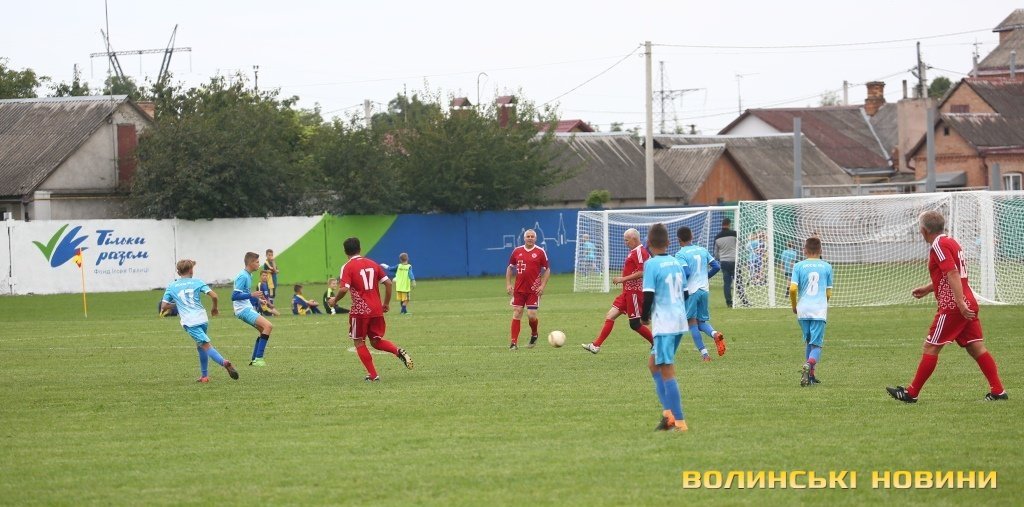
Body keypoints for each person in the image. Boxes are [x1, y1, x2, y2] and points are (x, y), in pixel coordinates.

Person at [887, 211, 1008, 403]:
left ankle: (911, 393)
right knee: (976, 347)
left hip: (954, 306)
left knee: (930, 347)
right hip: (967, 301)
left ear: (924, 230)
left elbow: (952, 273)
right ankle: (998, 391)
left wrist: (959, 303)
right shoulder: (951, 242)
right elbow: (950, 273)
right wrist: (928, 289)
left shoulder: (938, 245)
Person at [329, 236, 413, 381]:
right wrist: (386, 303)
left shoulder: (347, 266)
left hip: (360, 311)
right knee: (376, 341)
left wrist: (334, 300)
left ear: (345, 252)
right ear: (360, 249)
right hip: (376, 309)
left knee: (358, 342)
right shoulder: (372, 264)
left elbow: (343, 289)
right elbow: (388, 283)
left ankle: (373, 375)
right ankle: (397, 351)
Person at [641, 223, 690, 432]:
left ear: (648, 243)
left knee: (666, 369)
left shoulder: (651, 264)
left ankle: (679, 422)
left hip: (665, 323)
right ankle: (668, 415)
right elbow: (685, 293)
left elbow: (648, 295)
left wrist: (644, 317)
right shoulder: (677, 262)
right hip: (679, 320)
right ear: (668, 242)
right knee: (653, 364)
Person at [160, 259, 238, 383]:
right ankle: (204, 376)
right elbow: (214, 296)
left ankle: (224, 362)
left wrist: (178, 305)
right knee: (200, 346)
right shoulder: (198, 282)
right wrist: (214, 308)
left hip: (190, 321)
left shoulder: (172, 286)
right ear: (191, 270)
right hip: (202, 318)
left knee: (206, 346)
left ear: (178, 272)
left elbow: (164, 306)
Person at [582, 228, 654, 354]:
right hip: (627, 292)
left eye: (627, 240)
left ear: (634, 239)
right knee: (610, 316)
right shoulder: (634, 252)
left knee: (635, 324)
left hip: (634, 293)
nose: (625, 243)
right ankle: (596, 345)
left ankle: (656, 343)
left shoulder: (640, 252)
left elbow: (642, 272)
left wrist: (623, 279)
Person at [676, 226, 726, 362]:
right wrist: (705, 277)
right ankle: (715, 334)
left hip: (691, 292)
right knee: (701, 322)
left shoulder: (680, 254)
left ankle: (705, 355)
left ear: (679, 240)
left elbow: (686, 273)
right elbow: (716, 266)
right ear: (692, 236)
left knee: (691, 323)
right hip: (704, 290)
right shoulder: (702, 250)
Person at [789, 237, 833, 387]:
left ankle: (810, 376)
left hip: (803, 309)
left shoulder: (798, 266)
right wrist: (823, 304)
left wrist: (794, 306)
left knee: (809, 341)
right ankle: (809, 364)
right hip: (818, 309)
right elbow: (828, 293)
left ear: (804, 250)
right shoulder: (827, 266)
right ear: (821, 250)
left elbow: (793, 289)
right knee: (817, 345)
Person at [505, 229, 550, 350]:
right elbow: (510, 268)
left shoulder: (540, 252)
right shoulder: (517, 251)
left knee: (531, 315)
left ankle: (534, 334)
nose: (530, 238)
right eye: (528, 236)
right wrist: (508, 284)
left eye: (532, 236)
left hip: (533, 289)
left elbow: (547, 269)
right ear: (524, 238)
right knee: (517, 312)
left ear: (535, 238)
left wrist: (542, 286)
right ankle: (513, 343)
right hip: (519, 289)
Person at [232, 252, 274, 367]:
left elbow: (245, 294)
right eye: (257, 262)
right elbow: (234, 296)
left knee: (263, 330)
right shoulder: (243, 276)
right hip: (243, 309)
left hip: (245, 307)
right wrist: (252, 294)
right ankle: (259, 359)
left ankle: (254, 359)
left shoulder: (248, 275)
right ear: (250, 263)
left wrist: (258, 300)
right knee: (268, 326)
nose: (259, 264)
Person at [713, 218, 737, 307]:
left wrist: (720, 259)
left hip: (724, 262)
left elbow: (715, 253)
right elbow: (740, 246)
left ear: (722, 224)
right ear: (729, 224)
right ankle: (743, 300)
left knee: (727, 283)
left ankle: (729, 302)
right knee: (738, 281)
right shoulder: (734, 234)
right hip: (734, 261)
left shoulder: (717, 237)